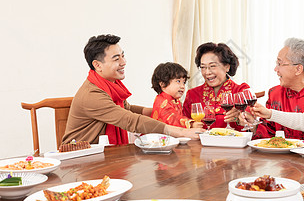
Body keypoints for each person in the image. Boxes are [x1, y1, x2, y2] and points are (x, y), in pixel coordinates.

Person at [62, 34, 204, 145]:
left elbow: (127, 108)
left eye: (123, 56)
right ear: (97, 65)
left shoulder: (109, 84)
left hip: (101, 152)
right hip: (81, 158)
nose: (124, 62)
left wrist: (159, 109)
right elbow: (129, 120)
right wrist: (181, 132)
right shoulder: (92, 94)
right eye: (116, 58)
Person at [182, 42, 250, 129]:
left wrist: (240, 118)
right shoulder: (192, 94)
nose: (207, 72)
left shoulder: (241, 91)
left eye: (212, 66)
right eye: (203, 67)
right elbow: (183, 123)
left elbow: (250, 123)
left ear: (227, 67)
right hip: (200, 142)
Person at [150, 62, 202, 128]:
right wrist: (190, 124)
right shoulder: (161, 101)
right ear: (162, 84)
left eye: (183, 82)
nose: (182, 86)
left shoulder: (175, 100)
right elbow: (172, 119)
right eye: (178, 81)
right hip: (159, 136)